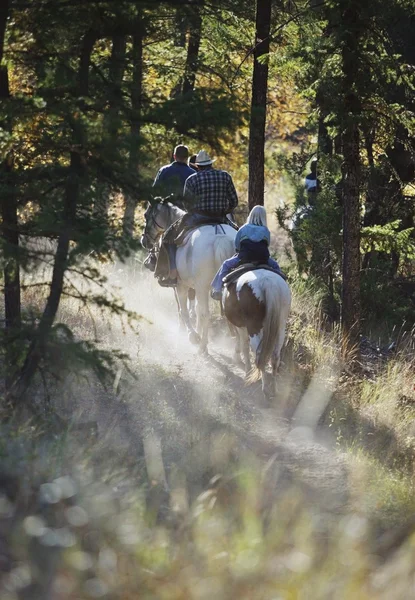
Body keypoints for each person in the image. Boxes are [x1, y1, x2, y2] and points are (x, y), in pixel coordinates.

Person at [155, 149, 239, 287]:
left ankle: (172, 273)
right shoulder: (225, 176)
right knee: (241, 237)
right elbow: (234, 201)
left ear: (198, 166)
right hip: (221, 218)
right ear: (211, 164)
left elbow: (186, 204)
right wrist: (224, 211)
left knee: (168, 237)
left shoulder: (192, 179)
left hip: (198, 218)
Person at [210, 205, 284, 300]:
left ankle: (217, 289)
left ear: (251, 215)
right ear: (263, 217)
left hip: (244, 258)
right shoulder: (266, 230)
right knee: (276, 266)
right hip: (263, 259)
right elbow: (267, 244)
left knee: (226, 265)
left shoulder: (243, 228)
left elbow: (237, 245)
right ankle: (283, 287)